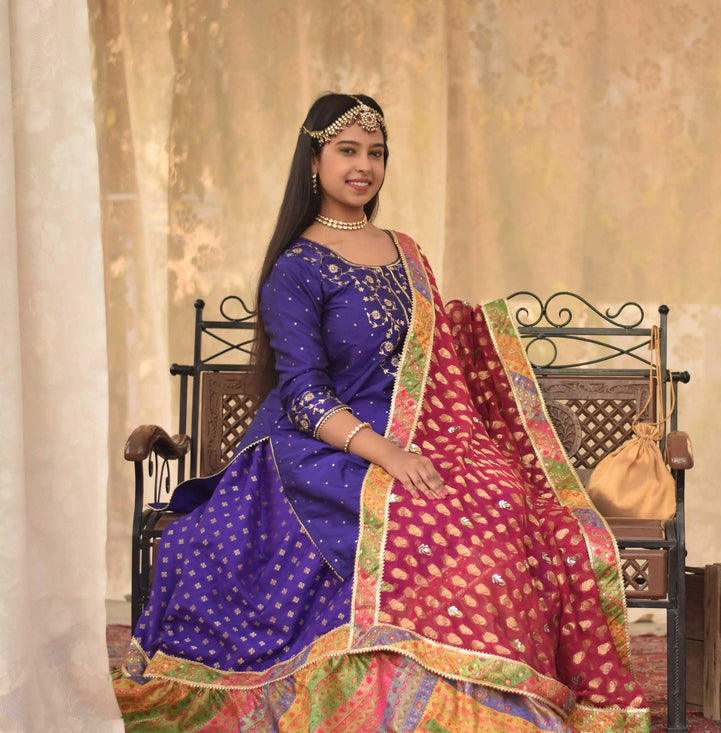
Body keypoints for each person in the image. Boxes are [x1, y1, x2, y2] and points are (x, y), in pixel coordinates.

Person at [113, 93, 649, 732]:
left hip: (427, 428)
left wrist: (469, 343)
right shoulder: (296, 268)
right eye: (347, 151)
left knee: (507, 511)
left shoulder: (408, 251)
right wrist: (387, 452)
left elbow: (432, 358)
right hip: (320, 447)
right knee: (425, 522)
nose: (363, 166)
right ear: (314, 160)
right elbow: (305, 398)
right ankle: (412, 702)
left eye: (377, 153)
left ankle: (487, 699)